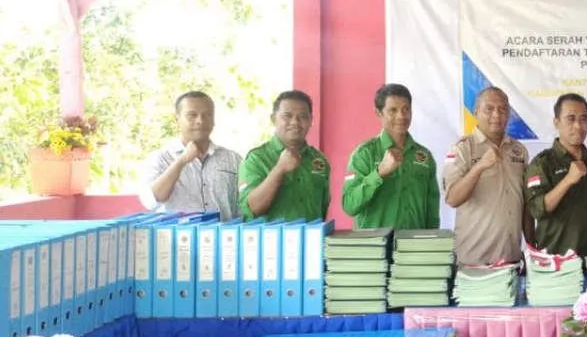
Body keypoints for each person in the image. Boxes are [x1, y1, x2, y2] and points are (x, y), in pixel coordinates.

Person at [442, 86, 533, 266]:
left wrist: (532, 244)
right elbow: (452, 198)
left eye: (502, 109)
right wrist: (479, 167)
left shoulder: (519, 151)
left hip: (510, 259)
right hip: (474, 260)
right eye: (489, 109)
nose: (496, 115)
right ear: (476, 112)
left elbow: (525, 204)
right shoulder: (462, 149)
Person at [341, 84, 440, 230]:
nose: (401, 116)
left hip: (414, 248)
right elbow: (349, 205)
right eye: (393, 110)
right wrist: (379, 173)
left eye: (406, 109)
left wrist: (431, 243)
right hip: (375, 248)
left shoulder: (424, 156)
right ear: (379, 113)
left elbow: (432, 209)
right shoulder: (364, 154)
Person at [138, 91, 243, 220]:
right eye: (192, 115)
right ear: (176, 120)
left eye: (207, 115)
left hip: (223, 237)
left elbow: (243, 207)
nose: (200, 121)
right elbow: (152, 200)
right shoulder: (160, 159)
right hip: (177, 239)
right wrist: (182, 160)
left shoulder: (233, 159)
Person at [525, 93, 587, 260]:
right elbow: (537, 209)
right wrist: (568, 180)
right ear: (557, 123)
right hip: (556, 260)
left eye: (583, 119)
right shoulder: (542, 163)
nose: (578, 125)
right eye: (570, 119)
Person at [238, 90, 331, 222]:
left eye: (303, 116)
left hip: (310, 240)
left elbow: (322, 207)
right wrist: (279, 169)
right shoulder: (256, 159)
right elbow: (252, 208)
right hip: (270, 241)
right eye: (287, 116)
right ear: (273, 119)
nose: (295, 122)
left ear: (311, 121)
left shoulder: (319, 160)